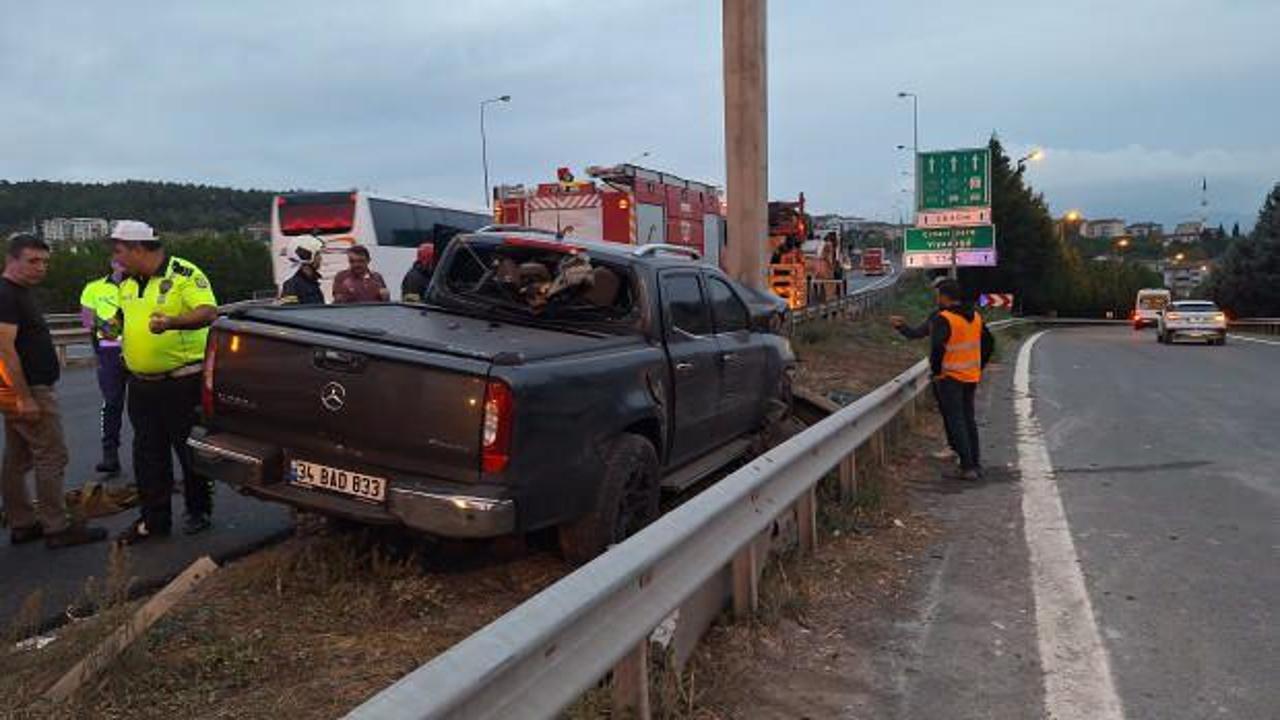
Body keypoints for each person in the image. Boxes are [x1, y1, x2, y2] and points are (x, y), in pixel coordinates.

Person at [110, 220, 218, 544]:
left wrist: (172, 322)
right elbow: (126, 317)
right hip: (141, 384)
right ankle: (153, 520)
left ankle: (198, 508)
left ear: (139, 248)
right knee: (147, 453)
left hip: (181, 382)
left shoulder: (183, 273)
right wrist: (114, 327)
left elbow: (208, 311)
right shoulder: (127, 283)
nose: (116, 259)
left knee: (187, 449)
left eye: (119, 251)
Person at [0, 233, 108, 548]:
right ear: (12, 259)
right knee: (52, 455)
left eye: (45, 261)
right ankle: (56, 527)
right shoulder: (7, 294)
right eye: (32, 261)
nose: (41, 268)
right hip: (30, 388)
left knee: (17, 458)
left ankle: (22, 523)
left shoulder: (18, 292)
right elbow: (4, 349)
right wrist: (24, 397)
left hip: (22, 388)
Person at [891, 277, 994, 481]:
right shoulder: (975, 316)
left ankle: (967, 467)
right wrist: (979, 366)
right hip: (970, 376)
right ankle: (974, 462)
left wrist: (937, 371)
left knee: (955, 420)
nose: (936, 298)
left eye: (938, 295)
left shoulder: (943, 318)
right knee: (968, 419)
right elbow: (989, 343)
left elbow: (938, 348)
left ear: (945, 297)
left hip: (950, 377)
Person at [79, 261, 127, 474]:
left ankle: (151, 458)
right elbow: (87, 321)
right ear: (112, 262)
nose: (124, 264)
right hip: (110, 352)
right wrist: (105, 327)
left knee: (146, 407)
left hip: (141, 352)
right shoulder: (94, 288)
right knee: (112, 403)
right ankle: (110, 455)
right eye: (119, 259)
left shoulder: (143, 287)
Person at [278, 235, 325, 305]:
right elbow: (289, 311)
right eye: (317, 254)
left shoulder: (311, 281)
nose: (320, 258)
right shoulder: (291, 284)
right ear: (307, 255)